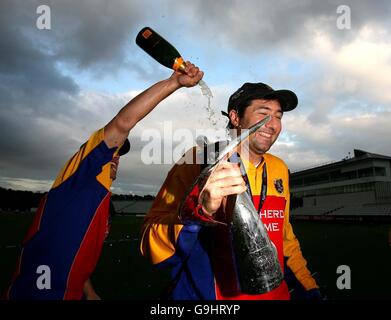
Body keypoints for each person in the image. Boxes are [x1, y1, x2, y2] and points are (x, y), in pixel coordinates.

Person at [5, 62, 204, 300]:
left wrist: (89, 292)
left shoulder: (100, 198)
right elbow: (123, 122)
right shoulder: (80, 176)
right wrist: (173, 83)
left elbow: (70, 251)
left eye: (120, 154)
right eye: (113, 150)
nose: (116, 157)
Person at [141, 82, 321, 300]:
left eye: (279, 116)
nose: (273, 125)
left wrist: (308, 287)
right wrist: (198, 212)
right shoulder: (199, 160)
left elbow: (284, 238)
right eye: (263, 113)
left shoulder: (279, 168)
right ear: (235, 117)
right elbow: (150, 243)